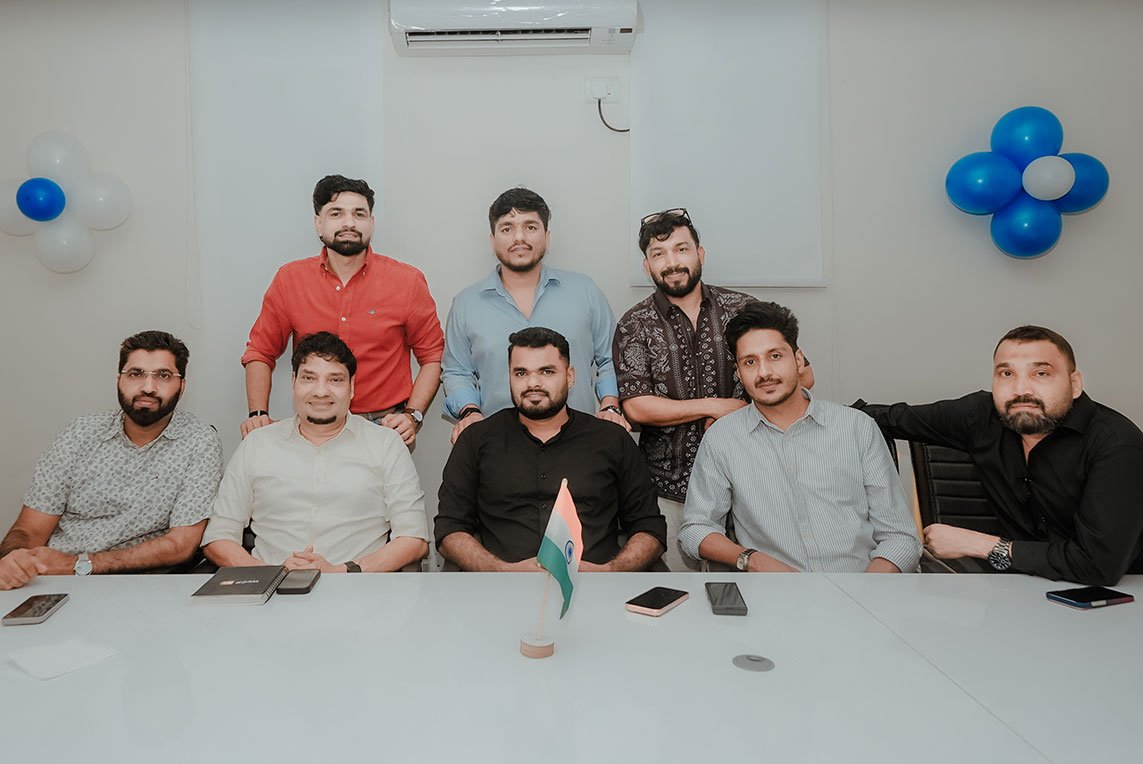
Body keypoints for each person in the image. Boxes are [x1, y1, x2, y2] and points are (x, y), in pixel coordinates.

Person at [861, 325, 1143, 584]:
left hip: (1121, 597)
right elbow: (884, 418)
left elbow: (1098, 565)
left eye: (1041, 373)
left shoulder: (1116, 445)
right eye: (1007, 374)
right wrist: (831, 412)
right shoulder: (981, 416)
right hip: (1017, 589)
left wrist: (981, 545)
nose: (1021, 390)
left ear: (1075, 383)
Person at [614, 207, 814, 570]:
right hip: (669, 491)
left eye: (681, 249)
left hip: (752, 486)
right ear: (647, 266)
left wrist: (744, 411)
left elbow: (803, 376)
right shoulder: (634, 324)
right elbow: (637, 407)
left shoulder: (743, 308)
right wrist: (714, 406)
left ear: (700, 254)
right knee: (679, 593)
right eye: (659, 254)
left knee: (765, 585)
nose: (672, 262)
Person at [680, 303, 920, 573]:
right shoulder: (722, 439)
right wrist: (751, 559)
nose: (764, 373)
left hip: (861, 583)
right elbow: (695, 529)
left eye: (775, 356)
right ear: (738, 372)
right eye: (750, 362)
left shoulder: (856, 428)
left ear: (798, 359)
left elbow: (900, 537)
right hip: (776, 593)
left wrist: (865, 591)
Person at [0, 331, 222, 590]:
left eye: (163, 375)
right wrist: (14, 560)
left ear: (181, 387)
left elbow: (180, 545)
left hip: (133, 584)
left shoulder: (199, 441)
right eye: (136, 374)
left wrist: (78, 564)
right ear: (119, 380)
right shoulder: (80, 433)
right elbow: (29, 530)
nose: (148, 387)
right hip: (48, 579)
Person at [436, 327, 666, 571]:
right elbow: (449, 529)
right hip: (503, 585)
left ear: (570, 376)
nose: (533, 383)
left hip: (596, 583)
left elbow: (649, 527)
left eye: (547, 371)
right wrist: (502, 570)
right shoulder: (476, 440)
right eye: (521, 373)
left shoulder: (612, 439)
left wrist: (609, 570)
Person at [241, 174, 444, 447]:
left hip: (384, 427)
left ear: (371, 223)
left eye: (359, 214)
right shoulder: (290, 280)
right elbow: (260, 352)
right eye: (336, 213)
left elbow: (433, 355)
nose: (349, 223)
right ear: (318, 223)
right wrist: (258, 414)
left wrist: (412, 415)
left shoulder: (407, 282)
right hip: (312, 424)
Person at [202, 332, 429, 572]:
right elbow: (218, 538)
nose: (321, 392)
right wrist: (272, 574)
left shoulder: (386, 445)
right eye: (309, 378)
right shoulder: (256, 444)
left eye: (335, 380)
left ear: (352, 387)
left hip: (358, 587)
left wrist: (342, 571)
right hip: (269, 588)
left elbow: (414, 539)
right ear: (294, 383)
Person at [441, 187, 626, 444]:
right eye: (507, 228)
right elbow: (456, 371)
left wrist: (610, 404)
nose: (519, 238)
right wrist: (469, 411)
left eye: (530, 227)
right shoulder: (466, 304)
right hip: (499, 445)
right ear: (492, 240)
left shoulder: (585, 291)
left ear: (547, 236)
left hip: (580, 444)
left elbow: (612, 358)